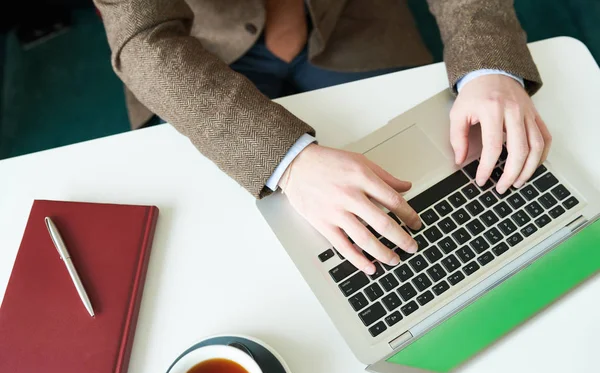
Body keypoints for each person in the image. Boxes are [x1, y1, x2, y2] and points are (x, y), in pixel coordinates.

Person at [95, 0, 551, 275]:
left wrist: (489, 66)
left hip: (350, 20)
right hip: (198, 48)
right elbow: (142, 37)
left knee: (445, 178)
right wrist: (287, 161)